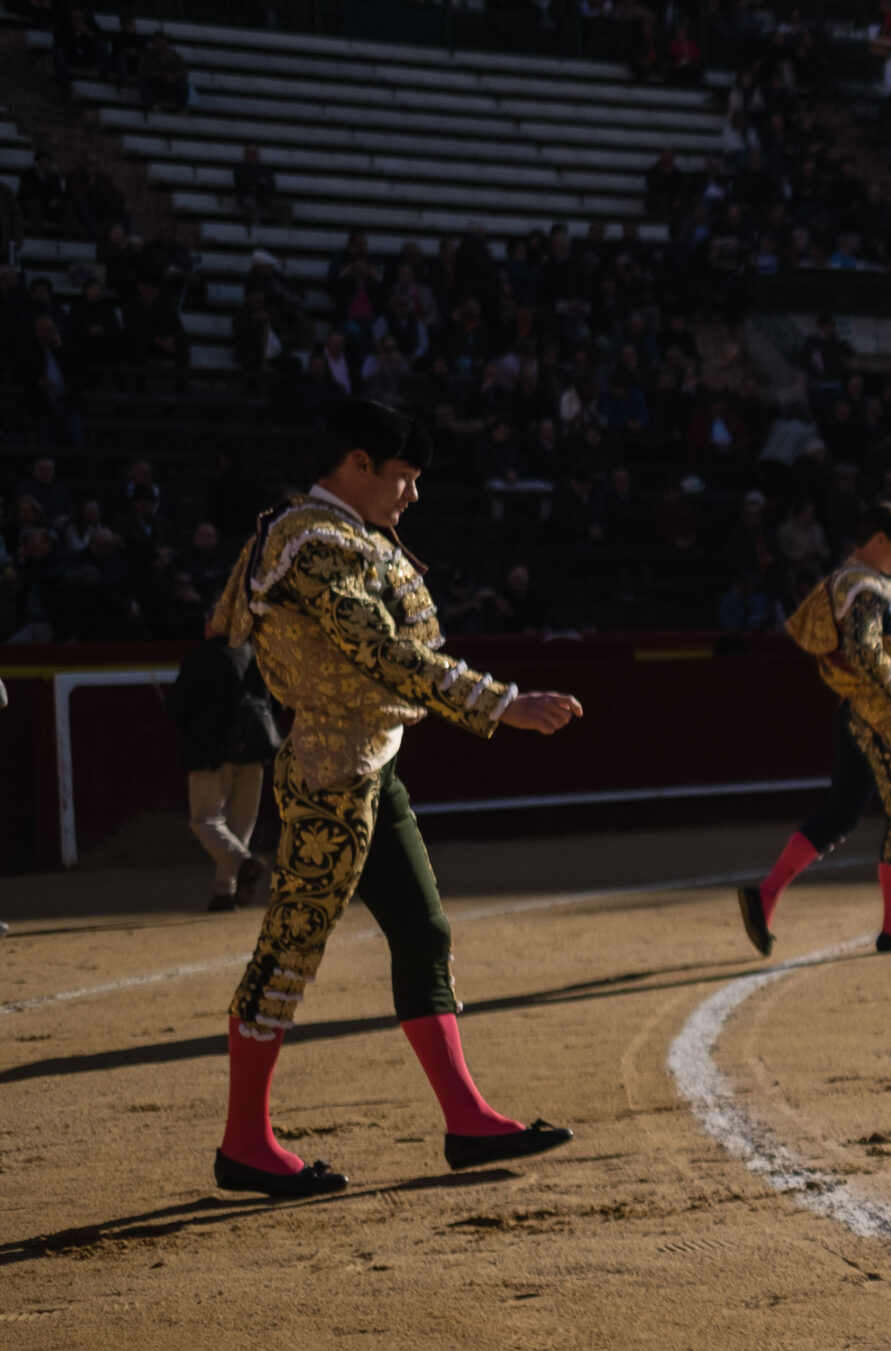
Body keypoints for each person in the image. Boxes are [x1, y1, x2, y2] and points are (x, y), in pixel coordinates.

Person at [204, 401, 587, 1199]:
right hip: (328, 772)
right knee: (292, 947)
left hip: (372, 759)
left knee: (424, 928)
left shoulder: (328, 534)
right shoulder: (312, 541)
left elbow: (232, 622)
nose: (411, 495)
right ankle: (244, 1142)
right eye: (403, 477)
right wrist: (500, 703)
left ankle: (468, 1118)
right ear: (358, 464)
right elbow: (380, 652)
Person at [738, 502, 891, 958]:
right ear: (876, 542)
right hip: (876, 712)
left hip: (852, 708)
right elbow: (861, 647)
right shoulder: (866, 587)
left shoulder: (842, 582)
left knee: (843, 812)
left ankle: (766, 894)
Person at [168, 619, 276, 912]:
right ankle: (223, 893)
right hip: (253, 753)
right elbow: (271, 705)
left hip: (209, 753)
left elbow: (178, 708)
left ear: (209, 628)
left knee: (206, 820)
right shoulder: (254, 655)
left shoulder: (198, 659)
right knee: (240, 826)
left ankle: (241, 865)